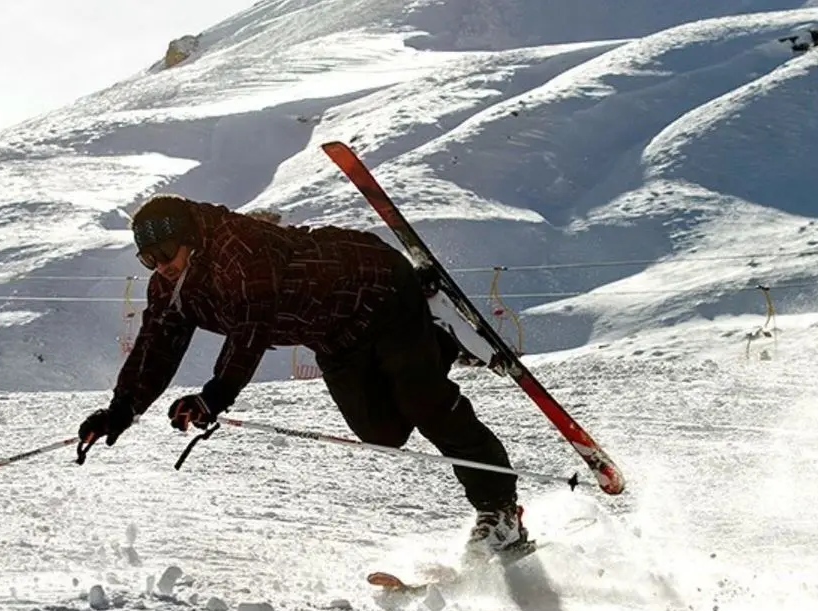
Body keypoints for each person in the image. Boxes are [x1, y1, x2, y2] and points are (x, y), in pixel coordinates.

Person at [77, 195, 527, 558]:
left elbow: (251, 329)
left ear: (190, 239)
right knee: (383, 432)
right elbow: (156, 345)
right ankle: (443, 342)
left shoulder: (241, 249)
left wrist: (215, 396)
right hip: (332, 334)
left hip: (379, 291)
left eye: (165, 253)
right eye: (147, 258)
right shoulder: (171, 285)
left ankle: (499, 510)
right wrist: (122, 410)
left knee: (425, 404)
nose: (160, 266)